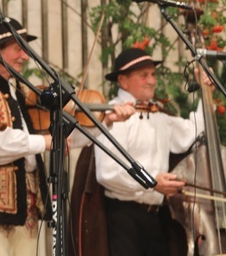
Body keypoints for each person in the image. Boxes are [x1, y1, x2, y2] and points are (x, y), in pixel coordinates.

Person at [0, 18, 133, 255]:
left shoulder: (18, 91)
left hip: (26, 202)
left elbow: (61, 141)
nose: (25, 56)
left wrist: (105, 122)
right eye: (18, 48)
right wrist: (43, 141)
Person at [87, 47, 211, 255]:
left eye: (153, 74)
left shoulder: (158, 114)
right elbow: (108, 173)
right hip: (124, 217)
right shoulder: (113, 114)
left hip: (156, 217)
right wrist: (153, 183)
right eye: (144, 75)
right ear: (123, 81)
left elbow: (191, 133)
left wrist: (206, 95)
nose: (152, 80)